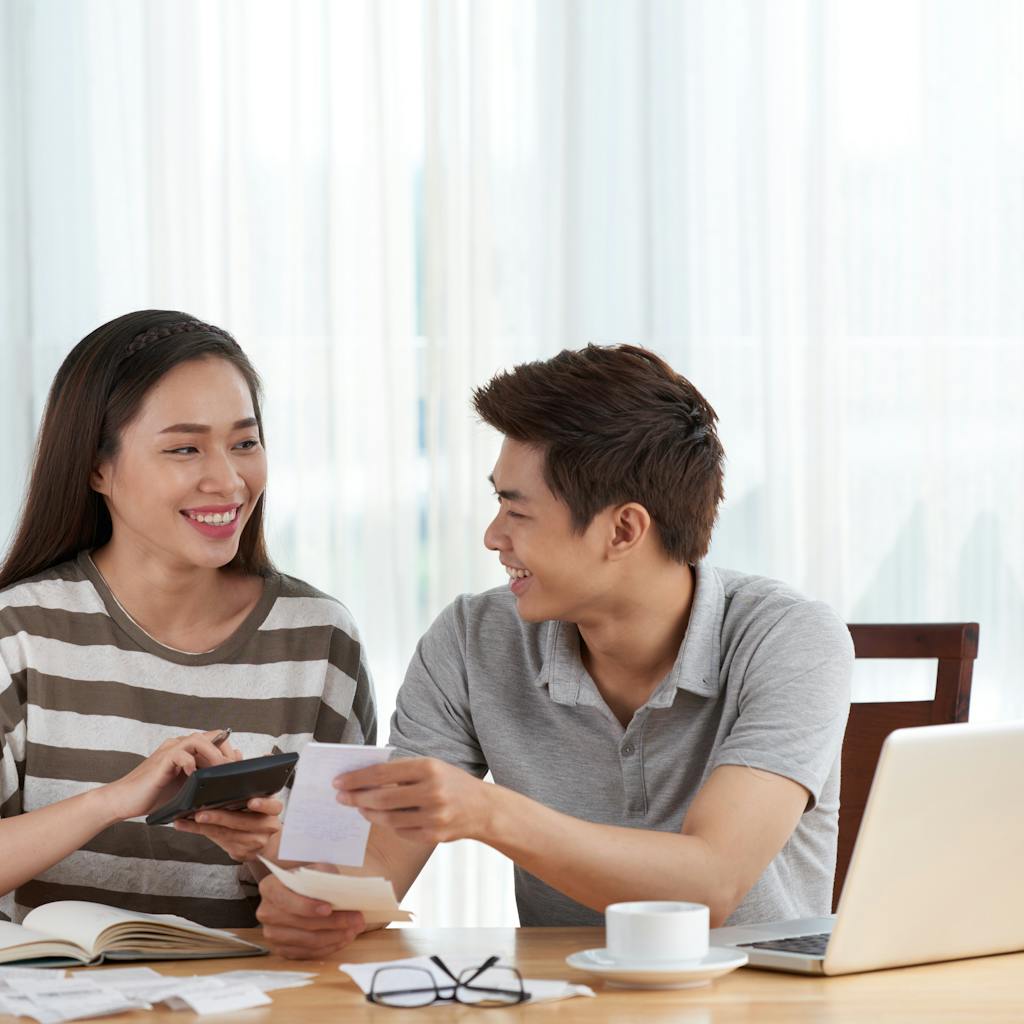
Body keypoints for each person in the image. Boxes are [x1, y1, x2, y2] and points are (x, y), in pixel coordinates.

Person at [257, 343, 853, 959]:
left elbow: (710, 884)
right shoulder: (471, 639)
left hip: (755, 1000)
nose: (494, 537)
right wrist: (304, 885)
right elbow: (380, 863)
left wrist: (486, 812)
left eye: (517, 510)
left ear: (623, 530)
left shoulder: (791, 640)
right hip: (563, 997)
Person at [0, 310, 376, 930]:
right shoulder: (19, 635)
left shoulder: (320, 640)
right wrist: (114, 801)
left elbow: (347, 894)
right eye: (184, 448)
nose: (228, 480)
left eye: (245, 443)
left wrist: (261, 844)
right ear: (98, 467)